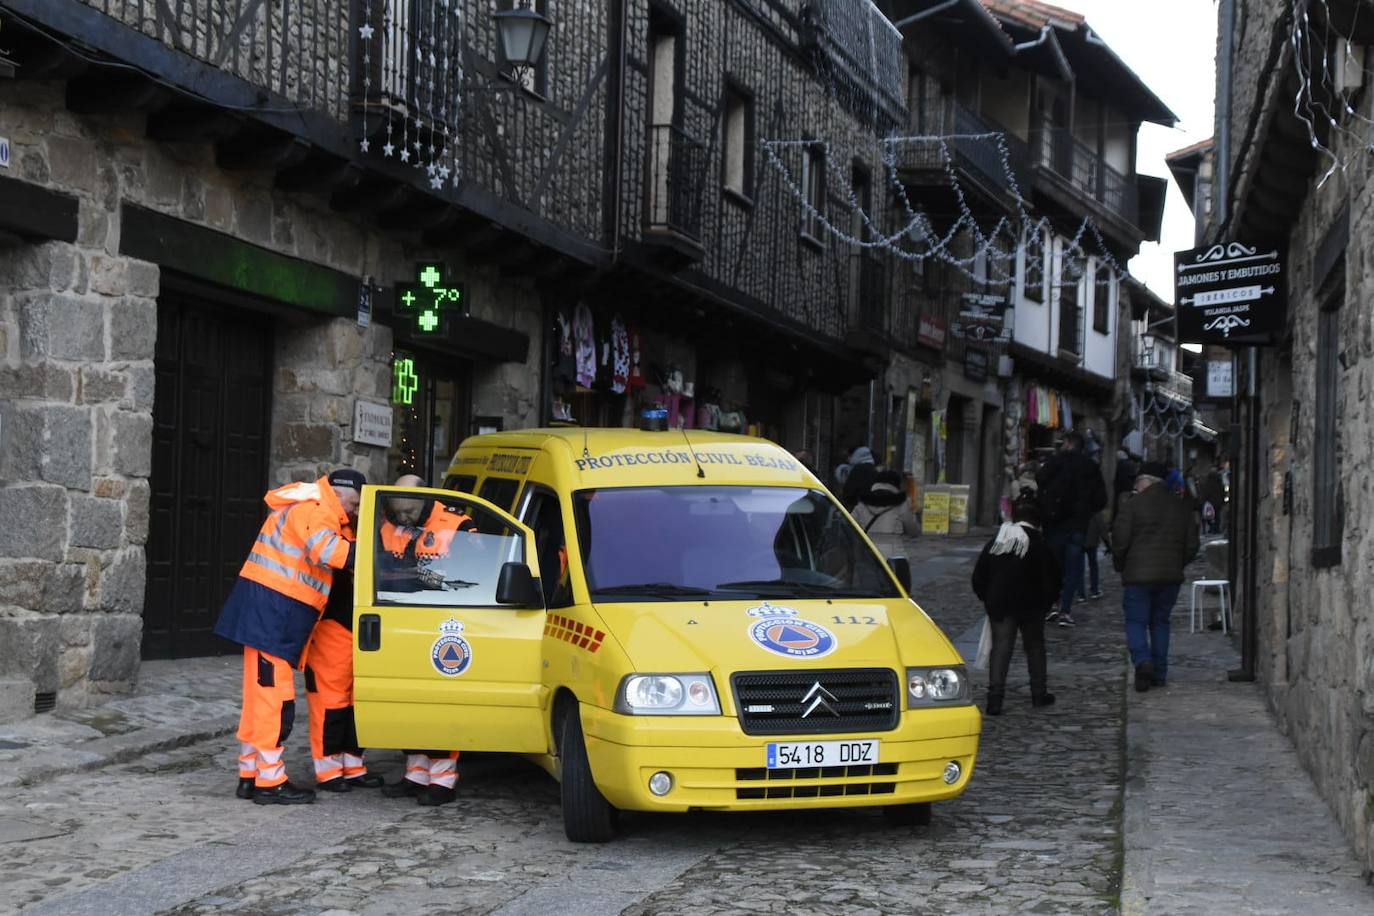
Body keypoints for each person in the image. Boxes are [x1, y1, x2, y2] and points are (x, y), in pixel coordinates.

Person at [214, 469, 364, 805]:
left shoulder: (308, 506)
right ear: (339, 493)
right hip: (275, 614)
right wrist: (373, 556)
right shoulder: (316, 509)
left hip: (268, 613)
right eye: (354, 504)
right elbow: (330, 552)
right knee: (275, 701)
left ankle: (250, 776)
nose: (354, 512)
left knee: (259, 699)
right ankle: (271, 783)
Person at [377, 474, 476, 806]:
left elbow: (474, 575)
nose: (402, 517)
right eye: (398, 510)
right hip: (400, 621)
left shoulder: (458, 524)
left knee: (442, 704)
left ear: (425, 500)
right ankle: (416, 774)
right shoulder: (388, 523)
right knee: (410, 702)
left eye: (408, 510)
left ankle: (443, 781)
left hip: (443, 625)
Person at [302, 541, 384, 794]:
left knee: (356, 702)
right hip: (332, 626)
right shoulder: (326, 524)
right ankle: (328, 771)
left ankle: (353, 765)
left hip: (359, 626)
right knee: (331, 702)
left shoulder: (360, 524)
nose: (356, 509)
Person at [1111, 461, 1200, 693]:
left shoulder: (1133, 506)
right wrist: (1177, 563)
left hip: (1138, 576)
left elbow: (1119, 541)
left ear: (1144, 482)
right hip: (1170, 576)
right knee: (1160, 622)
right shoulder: (1180, 507)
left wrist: (1121, 565)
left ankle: (1143, 662)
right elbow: (1192, 544)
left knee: (1136, 621)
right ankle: (1159, 673)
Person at [971, 498, 1062, 715]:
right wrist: (1047, 603)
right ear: (1037, 522)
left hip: (1001, 604)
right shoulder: (1040, 544)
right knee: (1035, 647)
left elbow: (979, 577)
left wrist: (988, 598)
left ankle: (995, 699)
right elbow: (1053, 579)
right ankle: (1039, 694)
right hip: (1032, 606)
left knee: (1001, 648)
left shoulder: (998, 541)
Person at [1036, 431, 1108, 628]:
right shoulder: (1090, 466)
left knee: (1053, 566)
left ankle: (1053, 604)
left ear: (1067, 443)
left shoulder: (1054, 462)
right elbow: (1101, 499)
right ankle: (1065, 610)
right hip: (1077, 525)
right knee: (1073, 568)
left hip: (1054, 524)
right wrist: (1086, 510)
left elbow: (1040, 480)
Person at [851, 469, 918, 557]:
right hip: (894, 554)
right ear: (897, 485)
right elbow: (912, 530)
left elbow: (850, 526)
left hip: (867, 553)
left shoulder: (862, 504)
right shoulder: (901, 503)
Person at [1078, 509, 1106, 602]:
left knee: (1079, 568)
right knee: (1093, 565)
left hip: (1079, 540)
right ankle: (1094, 590)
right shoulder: (1095, 509)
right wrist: (1107, 542)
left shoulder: (1077, 506)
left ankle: (1081, 593)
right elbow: (1101, 526)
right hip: (1092, 539)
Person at [840, 446, 878, 510]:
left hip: (858, 508)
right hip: (872, 507)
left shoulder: (857, 470)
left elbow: (848, 491)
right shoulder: (874, 470)